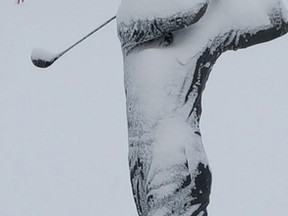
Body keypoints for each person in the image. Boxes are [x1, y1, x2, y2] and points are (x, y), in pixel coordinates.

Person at [117, 0, 288, 215]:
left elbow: (274, 18)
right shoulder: (134, 14)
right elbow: (187, 10)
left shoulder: (206, 27)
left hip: (175, 162)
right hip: (141, 164)